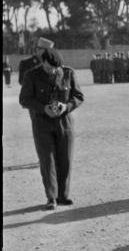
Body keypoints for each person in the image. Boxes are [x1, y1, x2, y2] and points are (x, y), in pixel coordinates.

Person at [19, 48, 84, 210]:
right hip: (42, 124)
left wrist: (66, 106)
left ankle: (63, 195)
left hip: (64, 123)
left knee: (65, 160)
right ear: (43, 62)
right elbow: (24, 99)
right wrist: (42, 108)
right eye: (49, 68)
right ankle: (51, 197)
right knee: (47, 161)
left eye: (56, 69)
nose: (53, 71)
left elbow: (79, 97)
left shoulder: (68, 73)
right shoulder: (31, 76)